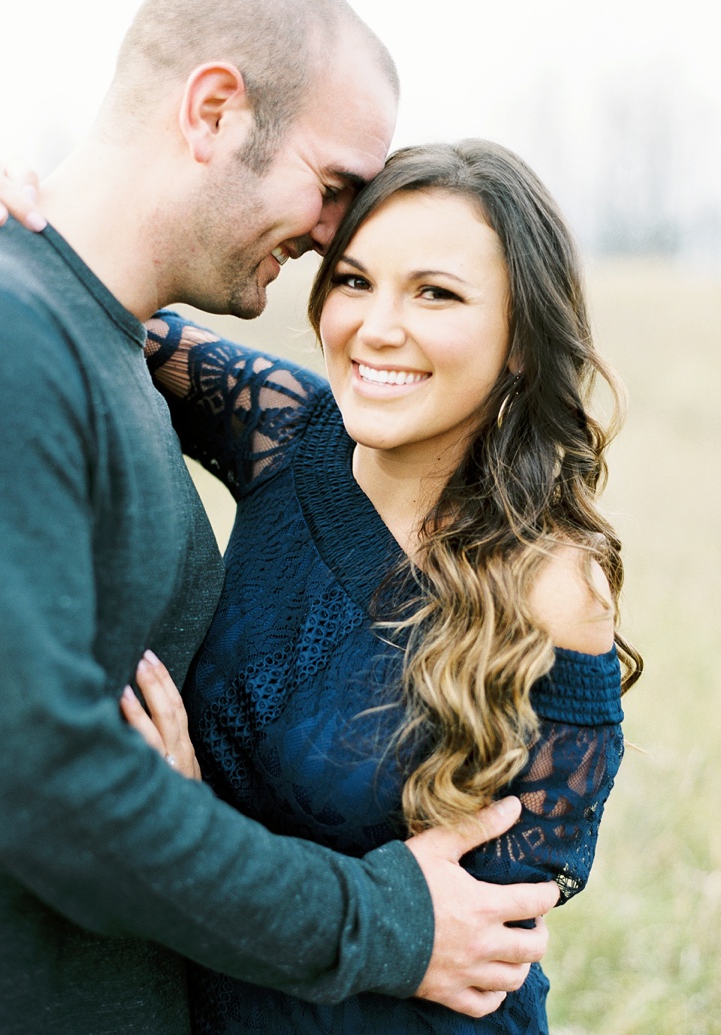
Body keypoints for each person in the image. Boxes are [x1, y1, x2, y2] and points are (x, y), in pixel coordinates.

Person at [0, 2, 561, 1032]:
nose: (334, 238)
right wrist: (382, 920)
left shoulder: (107, 342)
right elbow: (31, 782)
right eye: (330, 190)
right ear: (216, 110)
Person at [118, 139, 642, 1033]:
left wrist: (184, 824)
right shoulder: (283, 429)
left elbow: (470, 947)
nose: (375, 327)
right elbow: (82, 297)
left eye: (435, 293)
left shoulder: (549, 584)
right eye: (354, 281)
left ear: (521, 340)